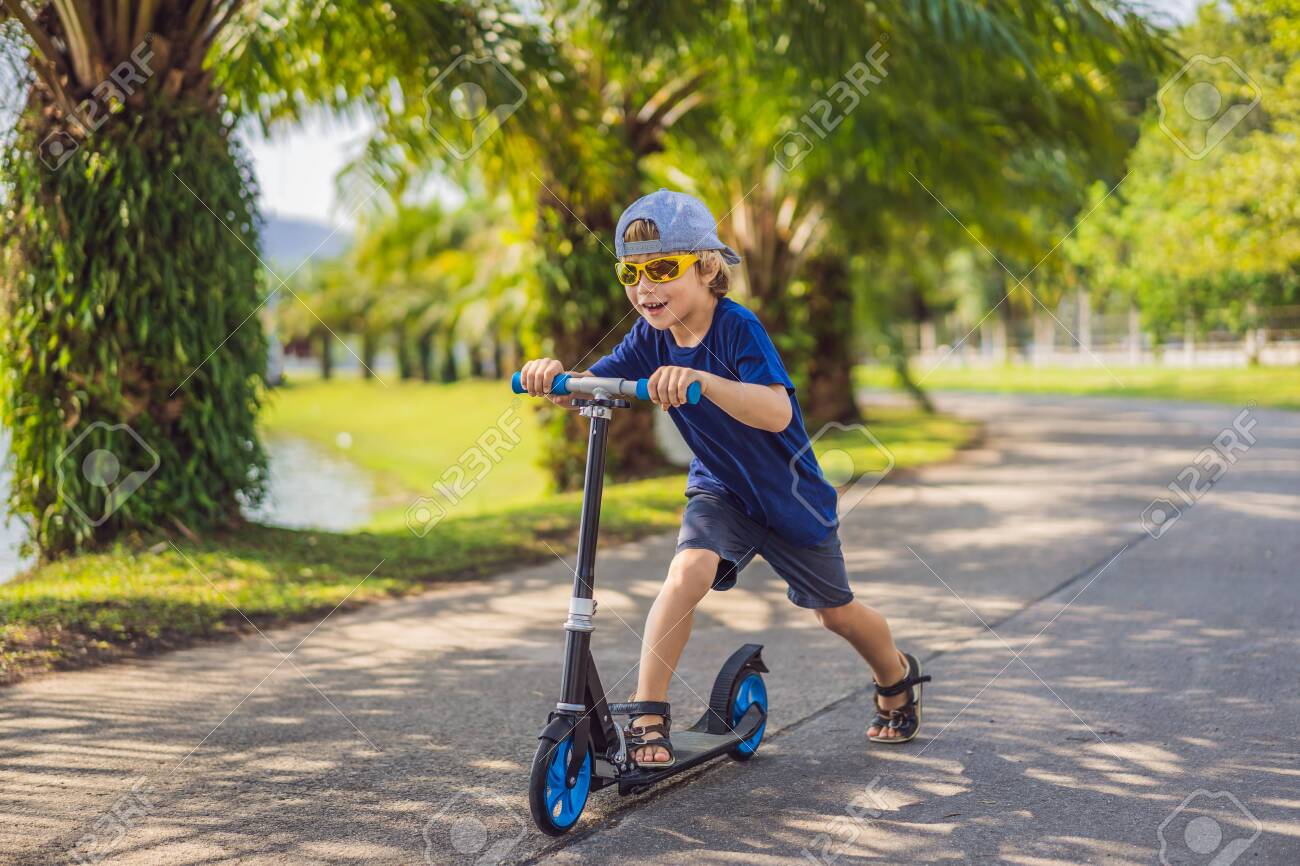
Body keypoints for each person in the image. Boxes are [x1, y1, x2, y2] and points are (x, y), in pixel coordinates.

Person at [518, 189, 930, 767]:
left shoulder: (737, 328)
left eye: (663, 269)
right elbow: (596, 386)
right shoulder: (649, 337)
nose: (645, 287)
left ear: (707, 268)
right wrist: (556, 378)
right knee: (687, 571)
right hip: (720, 490)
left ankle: (895, 674)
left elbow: (777, 411)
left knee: (834, 612)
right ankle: (648, 715)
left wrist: (703, 382)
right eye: (631, 273)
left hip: (790, 498)